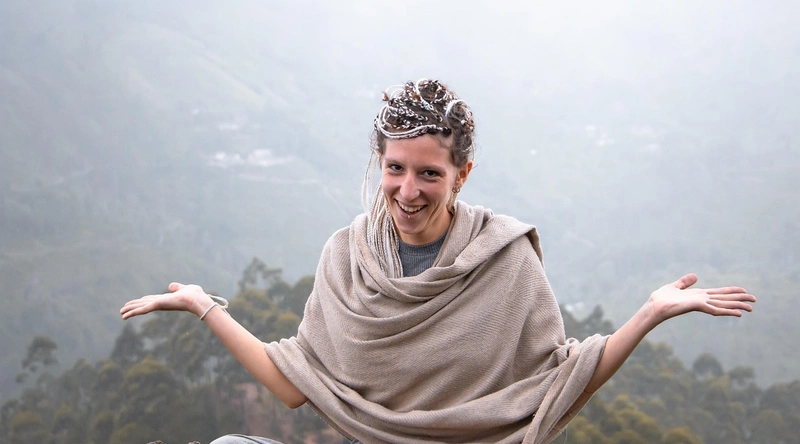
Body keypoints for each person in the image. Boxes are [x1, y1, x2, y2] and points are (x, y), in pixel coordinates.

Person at [120, 79, 756, 444]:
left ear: (462, 175)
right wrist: (202, 305)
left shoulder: (505, 260)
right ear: (380, 164)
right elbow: (293, 385)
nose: (408, 190)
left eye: (430, 173)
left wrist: (648, 314)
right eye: (395, 169)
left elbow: (559, 382)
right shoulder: (346, 258)